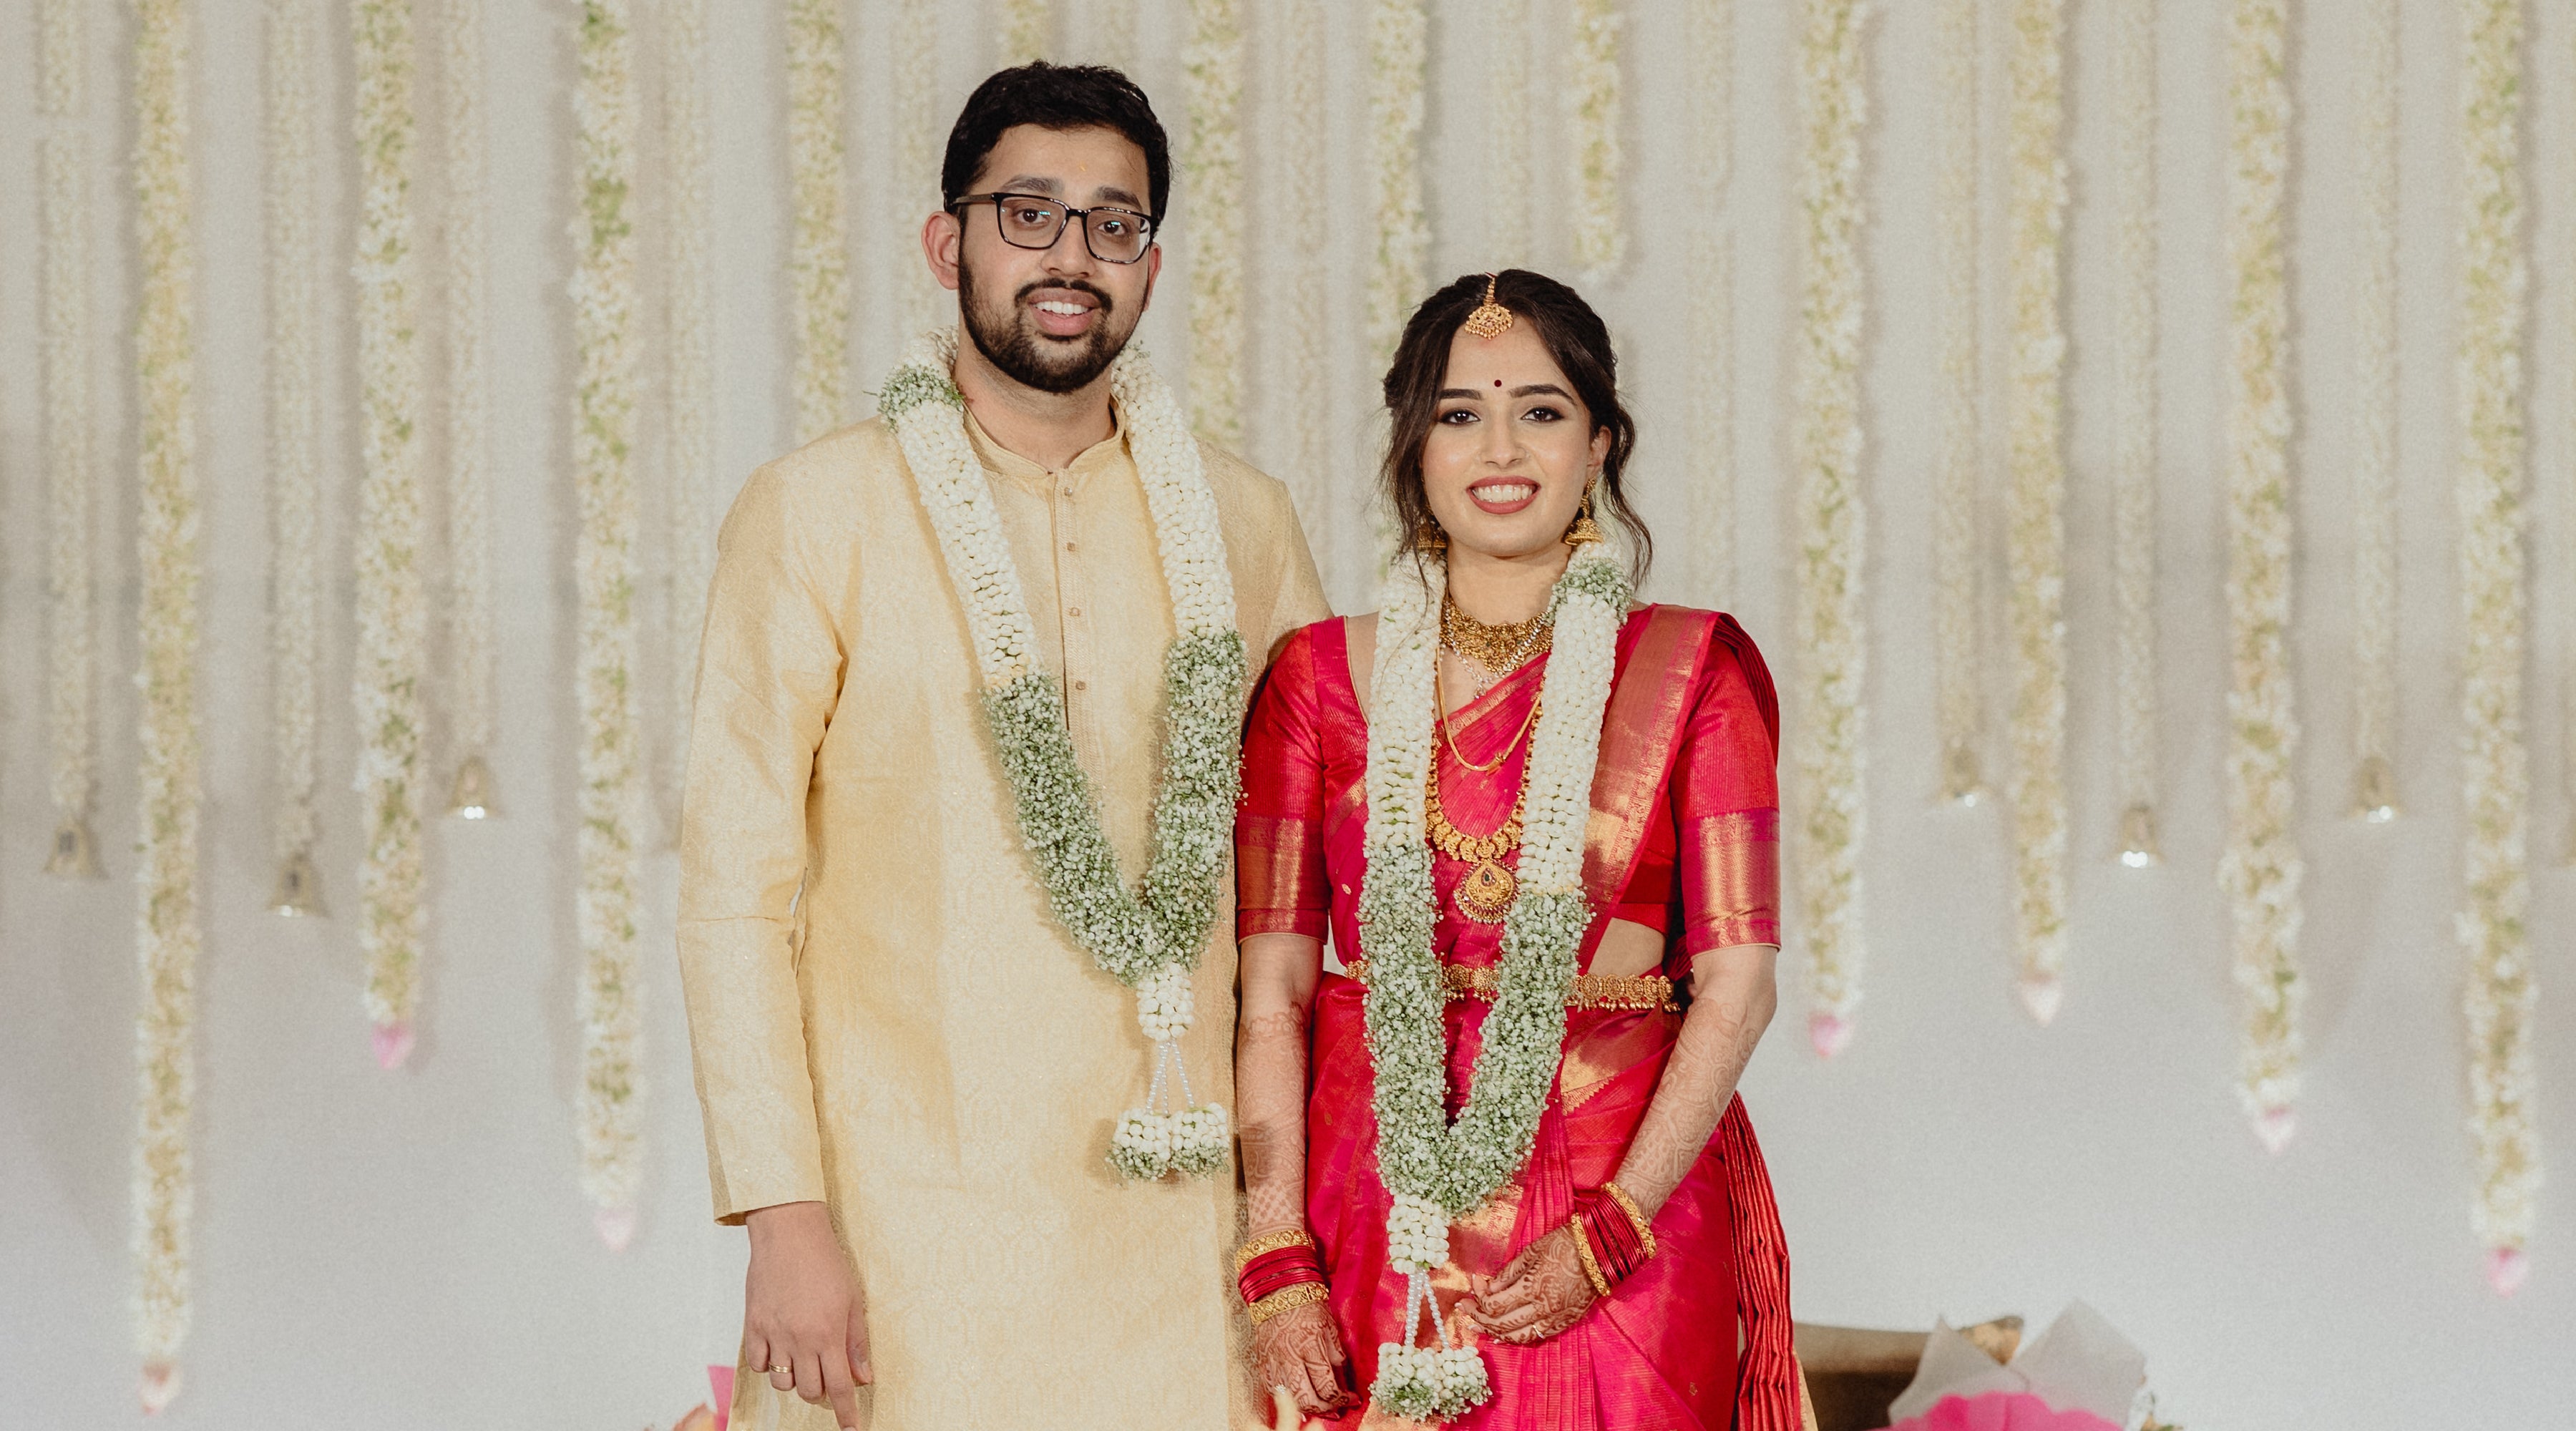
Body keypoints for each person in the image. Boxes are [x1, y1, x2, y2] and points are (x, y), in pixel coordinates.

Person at [676, 63, 1329, 1431]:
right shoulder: (816, 512)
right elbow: (736, 892)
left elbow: (1313, 872)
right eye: (1028, 214)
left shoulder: (1245, 522)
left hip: (1181, 1233)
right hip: (906, 1225)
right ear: (948, 239)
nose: (1070, 257)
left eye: (1113, 223)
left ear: (1150, 265)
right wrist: (784, 1213)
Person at [1230, 270, 1802, 1429]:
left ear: (1599, 443)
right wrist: (1276, 1248)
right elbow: (1274, 992)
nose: (1501, 446)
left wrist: (1619, 1226)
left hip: (1617, 1190)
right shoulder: (1318, 679)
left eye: (1540, 410)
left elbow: (1738, 985)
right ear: (1414, 449)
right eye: (1458, 413)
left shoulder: (1694, 671)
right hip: (1372, 1173)